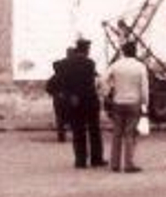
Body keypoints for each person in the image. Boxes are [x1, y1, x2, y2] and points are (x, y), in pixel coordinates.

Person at [103, 40, 150, 174]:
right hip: (133, 103)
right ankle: (128, 164)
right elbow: (144, 87)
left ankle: (115, 164)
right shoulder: (140, 67)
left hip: (118, 102)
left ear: (123, 52)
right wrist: (145, 103)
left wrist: (108, 92)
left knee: (117, 134)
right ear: (135, 51)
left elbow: (102, 79)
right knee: (130, 134)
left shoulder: (116, 65)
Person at [63, 38, 104, 169]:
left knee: (78, 131)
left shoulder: (68, 63)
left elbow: (66, 82)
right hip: (90, 101)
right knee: (94, 131)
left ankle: (80, 160)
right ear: (86, 49)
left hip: (75, 102)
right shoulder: (90, 63)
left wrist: (71, 96)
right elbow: (90, 83)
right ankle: (96, 159)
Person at [45, 46, 77, 144]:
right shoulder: (76, 67)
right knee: (74, 116)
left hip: (60, 97)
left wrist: (55, 94)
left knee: (60, 118)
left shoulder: (58, 72)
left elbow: (49, 87)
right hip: (70, 97)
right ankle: (74, 136)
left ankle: (61, 136)